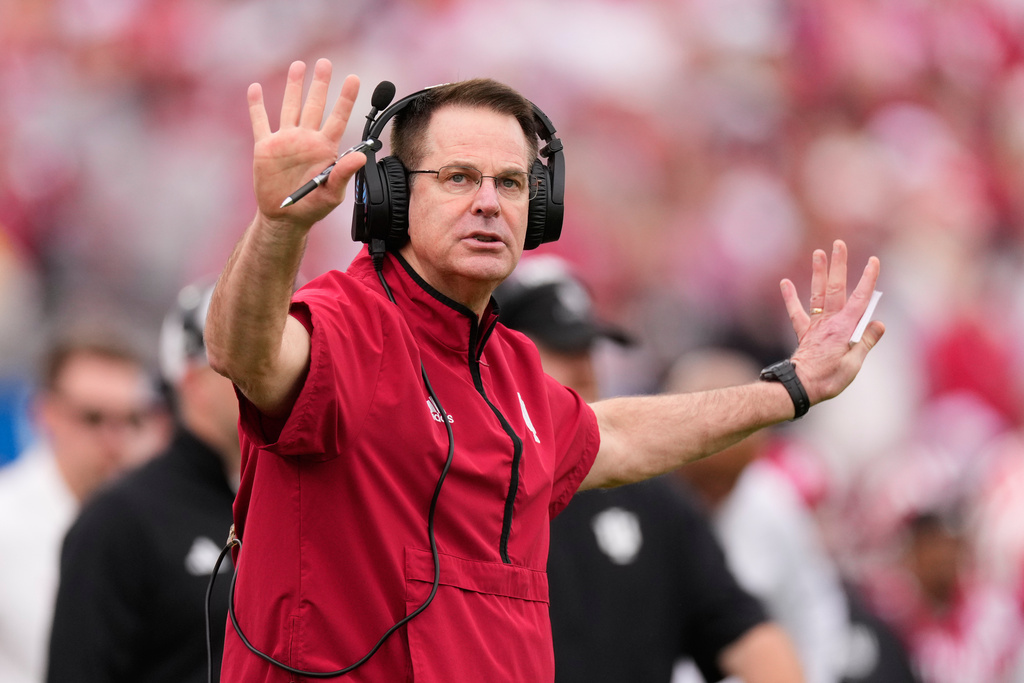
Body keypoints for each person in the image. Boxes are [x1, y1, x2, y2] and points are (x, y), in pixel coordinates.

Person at [205, 58, 884, 682]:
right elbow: (246, 353)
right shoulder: (348, 323)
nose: (489, 202)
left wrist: (793, 386)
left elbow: (611, 434)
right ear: (389, 196)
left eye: (510, 182)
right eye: (459, 177)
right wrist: (278, 226)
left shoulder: (509, 366)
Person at [494, 255, 804, 683]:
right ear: (504, 356)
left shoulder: (653, 499)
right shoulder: (479, 487)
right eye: (562, 348)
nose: (585, 366)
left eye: (588, 346)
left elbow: (747, 635)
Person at [45, 283, 241, 683]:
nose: (277, 372)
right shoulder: (119, 519)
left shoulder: (305, 504)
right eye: (251, 359)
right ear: (194, 383)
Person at [667, 348, 852, 683]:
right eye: (703, 478)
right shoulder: (646, 509)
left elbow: (816, 611)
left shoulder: (770, 502)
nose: (716, 493)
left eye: (730, 477)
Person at [0, 325, 166, 683]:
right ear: (44, 413)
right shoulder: (6, 522)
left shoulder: (155, 522)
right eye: (93, 418)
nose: (114, 440)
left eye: (130, 420)